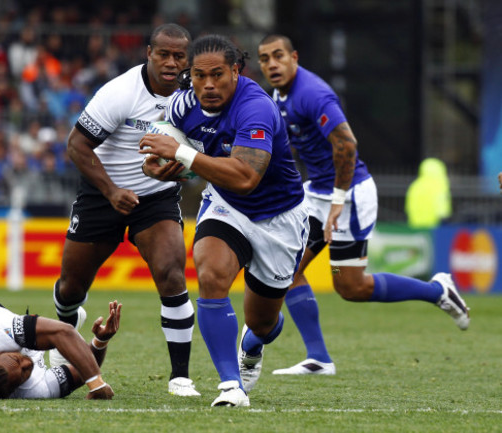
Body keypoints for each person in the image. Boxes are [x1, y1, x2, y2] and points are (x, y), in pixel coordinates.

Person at [256, 34, 470, 376]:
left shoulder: (313, 93)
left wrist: (339, 199)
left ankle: (437, 290)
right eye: (265, 59)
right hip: (318, 195)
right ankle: (319, 359)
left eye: (278, 56)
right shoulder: (277, 97)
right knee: (287, 270)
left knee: (351, 288)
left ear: (294, 57)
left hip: (350, 196)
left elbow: (347, 145)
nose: (271, 64)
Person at [140, 34, 308, 407]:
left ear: (236, 71)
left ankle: (251, 346)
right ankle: (231, 386)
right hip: (226, 205)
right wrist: (162, 169)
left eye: (218, 75)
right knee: (211, 272)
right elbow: (180, 157)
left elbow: (247, 177)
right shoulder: (183, 106)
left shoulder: (256, 109)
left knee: (263, 322)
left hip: (278, 218)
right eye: (199, 76)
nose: (209, 85)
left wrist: (180, 153)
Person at [50, 23, 199, 397]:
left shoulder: (194, 95)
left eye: (178, 56)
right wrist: (112, 191)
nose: (170, 62)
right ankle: (66, 331)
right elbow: (76, 145)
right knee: (71, 287)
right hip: (103, 195)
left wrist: (185, 170)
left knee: (172, 275)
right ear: (148, 53)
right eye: (163, 54)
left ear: (187, 58)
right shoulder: (119, 92)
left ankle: (180, 376)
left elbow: (206, 148)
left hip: (156, 199)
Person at [405, 157, 452, 229]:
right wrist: (444, 219)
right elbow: (442, 204)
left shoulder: (415, 185)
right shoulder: (440, 184)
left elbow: (408, 206)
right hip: (434, 226)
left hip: (415, 225)